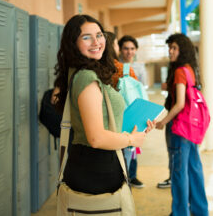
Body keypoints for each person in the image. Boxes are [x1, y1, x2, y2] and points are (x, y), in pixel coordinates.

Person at [53, 14, 154, 196]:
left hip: (93, 164)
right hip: (96, 169)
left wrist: (135, 130)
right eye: (86, 37)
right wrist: (132, 140)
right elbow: (96, 138)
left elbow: (103, 123)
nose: (96, 42)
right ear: (73, 43)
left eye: (99, 35)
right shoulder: (86, 77)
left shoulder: (82, 72)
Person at [156, 33, 209, 216]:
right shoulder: (189, 69)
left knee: (179, 174)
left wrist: (163, 121)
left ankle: (180, 213)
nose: (170, 51)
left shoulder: (179, 71)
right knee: (194, 170)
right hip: (191, 128)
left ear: (182, 50)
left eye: (174, 48)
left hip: (179, 128)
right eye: (169, 47)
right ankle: (200, 211)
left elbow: (179, 103)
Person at [118, 35, 147, 188]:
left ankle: (132, 176)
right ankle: (125, 179)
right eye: (126, 48)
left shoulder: (140, 68)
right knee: (126, 146)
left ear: (135, 50)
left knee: (135, 145)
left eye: (132, 49)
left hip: (136, 110)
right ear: (120, 50)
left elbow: (142, 91)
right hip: (122, 111)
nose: (129, 52)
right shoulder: (116, 67)